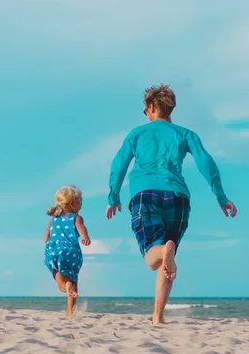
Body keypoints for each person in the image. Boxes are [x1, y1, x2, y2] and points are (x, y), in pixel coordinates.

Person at [106, 84, 237, 324]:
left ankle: (163, 252)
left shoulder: (136, 134)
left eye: (145, 109)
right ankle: (157, 316)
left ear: (153, 107)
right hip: (178, 198)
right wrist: (221, 197)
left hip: (145, 195)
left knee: (151, 257)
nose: (145, 114)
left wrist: (113, 196)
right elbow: (206, 163)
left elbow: (118, 165)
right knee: (169, 255)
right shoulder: (186, 134)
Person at [44, 184, 92, 317]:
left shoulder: (54, 219)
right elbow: (81, 227)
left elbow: (46, 236)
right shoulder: (76, 218)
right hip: (72, 251)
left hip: (54, 250)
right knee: (73, 279)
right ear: (72, 203)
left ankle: (66, 286)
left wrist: (47, 239)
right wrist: (85, 237)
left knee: (60, 277)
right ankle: (70, 311)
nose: (81, 204)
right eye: (80, 201)